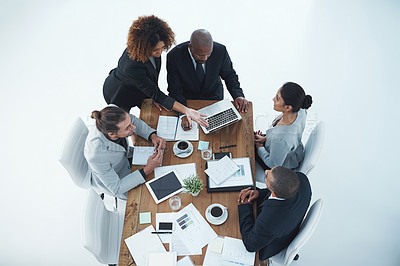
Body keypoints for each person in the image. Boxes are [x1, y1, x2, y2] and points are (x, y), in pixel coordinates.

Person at [102, 15, 207, 129]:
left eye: (162, 48)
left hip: (139, 88)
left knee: (150, 113)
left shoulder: (155, 52)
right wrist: (187, 110)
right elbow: (155, 92)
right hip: (120, 93)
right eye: (156, 50)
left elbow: (152, 82)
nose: (160, 52)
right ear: (144, 47)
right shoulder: (132, 66)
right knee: (126, 126)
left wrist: (154, 97)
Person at [167, 29, 248, 130]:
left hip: (214, 97)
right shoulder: (174, 56)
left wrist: (238, 95)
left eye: (208, 54)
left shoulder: (220, 51)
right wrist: (183, 114)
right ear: (190, 47)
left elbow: (230, 75)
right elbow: (175, 89)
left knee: (214, 130)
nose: (205, 58)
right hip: (188, 101)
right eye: (200, 55)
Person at [84, 106, 166, 200]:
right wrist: (147, 169)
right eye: (128, 128)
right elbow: (117, 188)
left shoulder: (115, 113)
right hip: (120, 178)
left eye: (130, 124)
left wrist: (152, 135)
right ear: (112, 134)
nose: (133, 127)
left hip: (126, 156)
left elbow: (133, 120)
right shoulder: (95, 155)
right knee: (154, 196)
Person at [237, 166, 312, 261]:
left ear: (274, 194)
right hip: (290, 224)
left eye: (267, 175)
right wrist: (259, 193)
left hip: (268, 244)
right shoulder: (302, 179)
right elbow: (279, 191)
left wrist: (245, 206)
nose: (265, 171)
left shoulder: (270, 221)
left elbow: (250, 245)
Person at [254, 82, 313, 170]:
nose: (273, 99)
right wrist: (266, 139)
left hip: (278, 164)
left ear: (288, 108)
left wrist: (260, 147)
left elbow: (273, 164)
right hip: (288, 150)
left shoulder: (281, 138)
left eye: (277, 99)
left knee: (243, 144)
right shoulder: (300, 110)